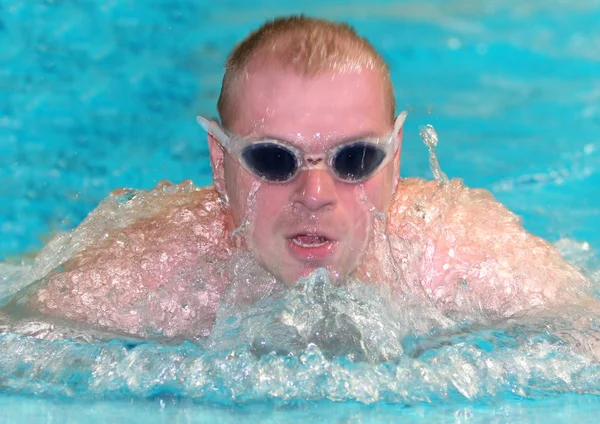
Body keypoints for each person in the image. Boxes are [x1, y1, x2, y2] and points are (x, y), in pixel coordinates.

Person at [23, 16, 593, 339]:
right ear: (221, 166)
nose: (315, 196)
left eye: (354, 160)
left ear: (395, 163)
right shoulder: (157, 274)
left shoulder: (458, 257)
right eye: (274, 160)